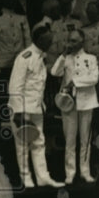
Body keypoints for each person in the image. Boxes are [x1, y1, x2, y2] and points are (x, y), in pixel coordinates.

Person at [8, 23, 63, 188]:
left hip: (36, 107)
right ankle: (26, 178)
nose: (50, 43)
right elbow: (15, 86)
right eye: (48, 40)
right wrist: (18, 112)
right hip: (22, 108)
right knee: (23, 145)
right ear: (39, 39)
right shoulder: (24, 57)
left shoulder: (41, 57)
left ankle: (42, 177)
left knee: (39, 142)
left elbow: (47, 79)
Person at [49, 28, 99, 184]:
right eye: (69, 40)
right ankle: (70, 173)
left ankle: (85, 171)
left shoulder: (90, 58)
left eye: (74, 41)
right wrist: (63, 54)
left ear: (81, 41)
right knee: (70, 140)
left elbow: (94, 78)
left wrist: (75, 83)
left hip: (86, 102)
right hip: (68, 104)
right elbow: (54, 72)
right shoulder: (66, 58)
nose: (70, 43)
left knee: (85, 140)